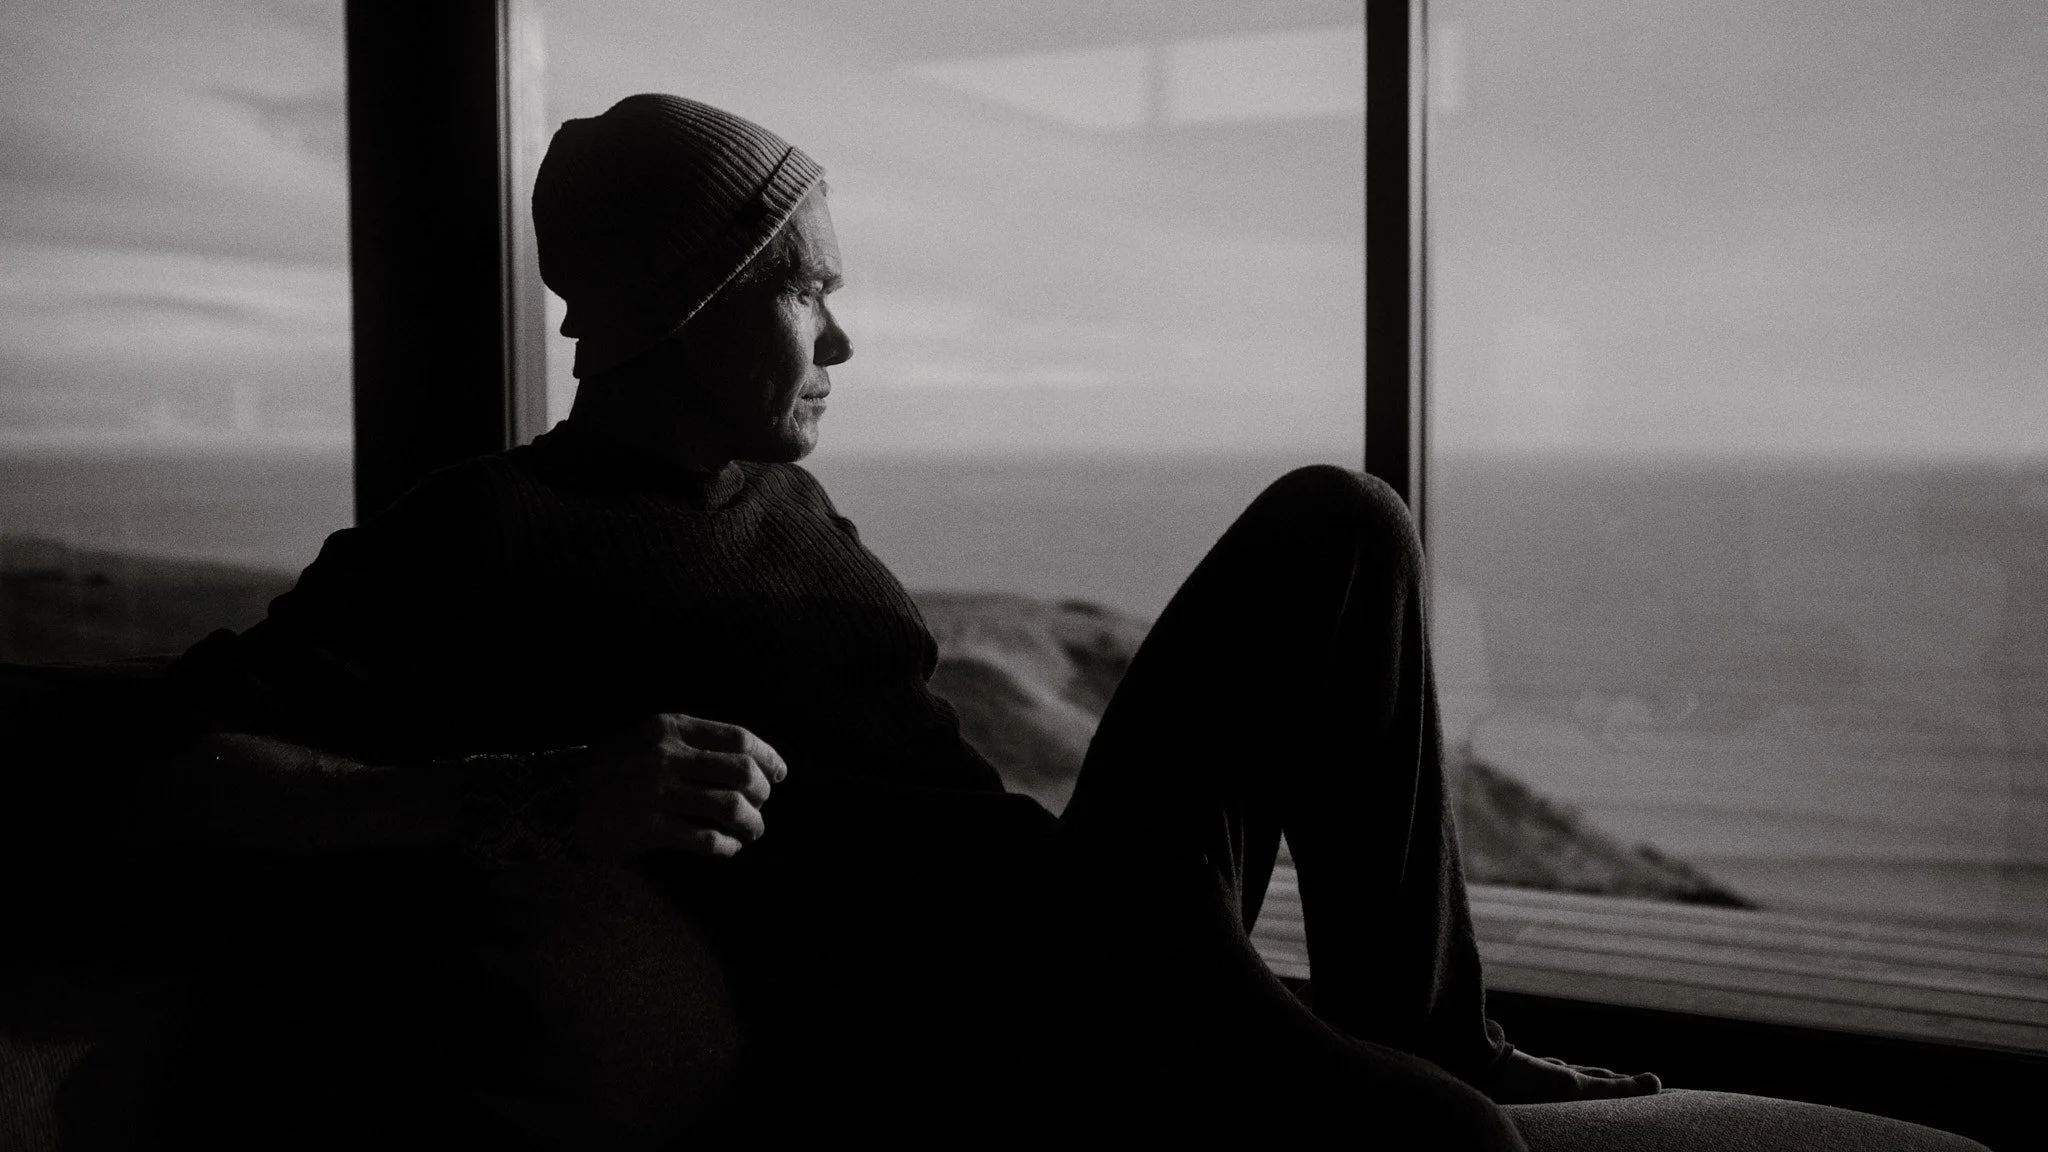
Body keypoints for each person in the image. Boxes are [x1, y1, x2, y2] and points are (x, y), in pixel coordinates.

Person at [99, 95, 1982, 1152]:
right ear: (679, 301)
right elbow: (181, 774)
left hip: (1072, 920)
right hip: (965, 1032)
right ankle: (1410, 1090)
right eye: (807, 294)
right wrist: (534, 788)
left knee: (1342, 522)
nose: (846, 340)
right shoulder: (486, 531)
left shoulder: (780, 490)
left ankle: (1443, 1024)